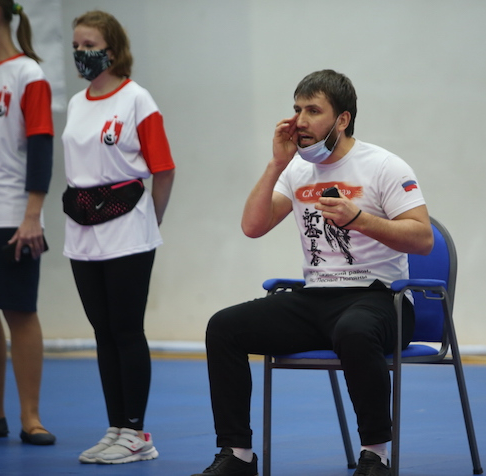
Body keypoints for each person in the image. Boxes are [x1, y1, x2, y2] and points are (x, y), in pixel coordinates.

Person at [193, 70, 433, 476]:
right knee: (224, 327)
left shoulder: (384, 166)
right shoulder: (297, 170)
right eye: (297, 109)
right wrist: (276, 164)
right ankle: (238, 455)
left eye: (313, 111)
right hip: (317, 297)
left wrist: (359, 219)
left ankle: (376, 455)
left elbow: (423, 238)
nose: (300, 121)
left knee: (354, 330)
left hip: (381, 299)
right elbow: (252, 226)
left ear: (342, 119)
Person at [62, 10, 175, 465]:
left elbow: (163, 169)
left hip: (127, 227)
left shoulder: (137, 100)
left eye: (89, 45)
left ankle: (136, 432)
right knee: (102, 331)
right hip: (81, 227)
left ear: (112, 50)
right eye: (75, 45)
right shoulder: (76, 103)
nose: (80, 53)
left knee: (126, 329)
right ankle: (115, 427)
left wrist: (151, 222)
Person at [0, 0, 55, 446]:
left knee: (19, 311)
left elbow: (41, 147)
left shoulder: (29, 74)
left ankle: (31, 417)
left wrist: (32, 216)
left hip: (11, 215)